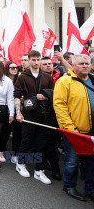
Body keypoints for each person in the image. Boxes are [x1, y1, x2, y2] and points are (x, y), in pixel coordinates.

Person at [53, 54, 94, 201]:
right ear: (73, 65)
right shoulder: (65, 81)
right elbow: (59, 106)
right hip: (74, 131)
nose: (85, 66)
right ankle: (69, 186)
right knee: (72, 161)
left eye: (87, 63)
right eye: (81, 63)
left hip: (91, 130)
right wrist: (70, 128)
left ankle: (90, 189)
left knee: (91, 161)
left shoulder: (92, 79)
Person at [14, 50, 57, 184]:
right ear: (29, 60)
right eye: (33, 60)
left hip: (44, 115)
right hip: (28, 114)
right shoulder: (22, 77)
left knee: (42, 143)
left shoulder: (48, 78)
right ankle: (20, 164)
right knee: (26, 140)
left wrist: (47, 95)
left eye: (38, 60)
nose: (36, 62)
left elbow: (55, 95)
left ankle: (39, 171)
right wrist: (18, 113)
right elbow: (16, 96)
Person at [0, 61, 21, 163]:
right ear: (7, 69)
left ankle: (15, 154)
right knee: (5, 131)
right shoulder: (3, 81)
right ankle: (0, 151)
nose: (15, 69)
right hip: (5, 110)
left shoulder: (20, 80)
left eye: (16, 67)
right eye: (12, 68)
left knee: (17, 132)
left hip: (17, 110)